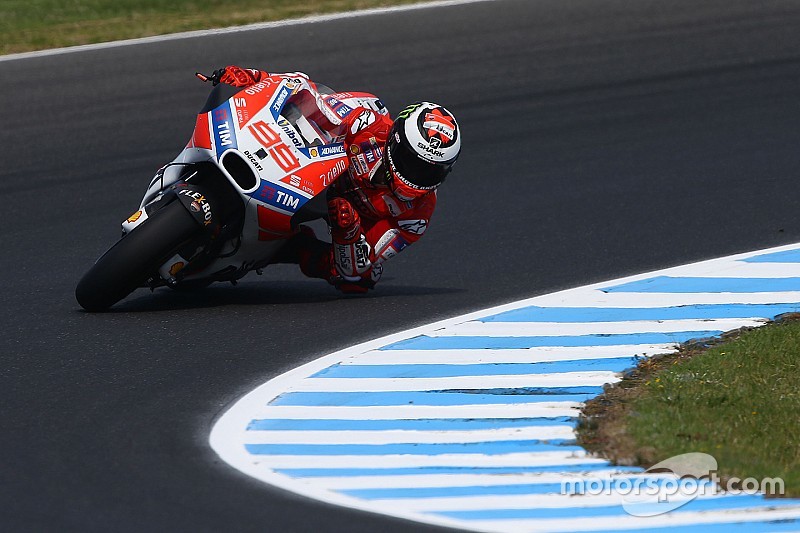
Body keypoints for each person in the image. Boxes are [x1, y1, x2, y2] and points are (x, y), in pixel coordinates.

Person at [211, 65, 461, 294]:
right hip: (313, 172)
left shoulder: (416, 216)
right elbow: (306, 95)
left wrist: (349, 232)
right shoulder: (368, 121)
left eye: (429, 172)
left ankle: (281, 248)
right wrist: (254, 79)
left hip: (348, 218)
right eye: (412, 162)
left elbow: (364, 264)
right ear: (395, 141)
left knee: (360, 280)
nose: (416, 177)